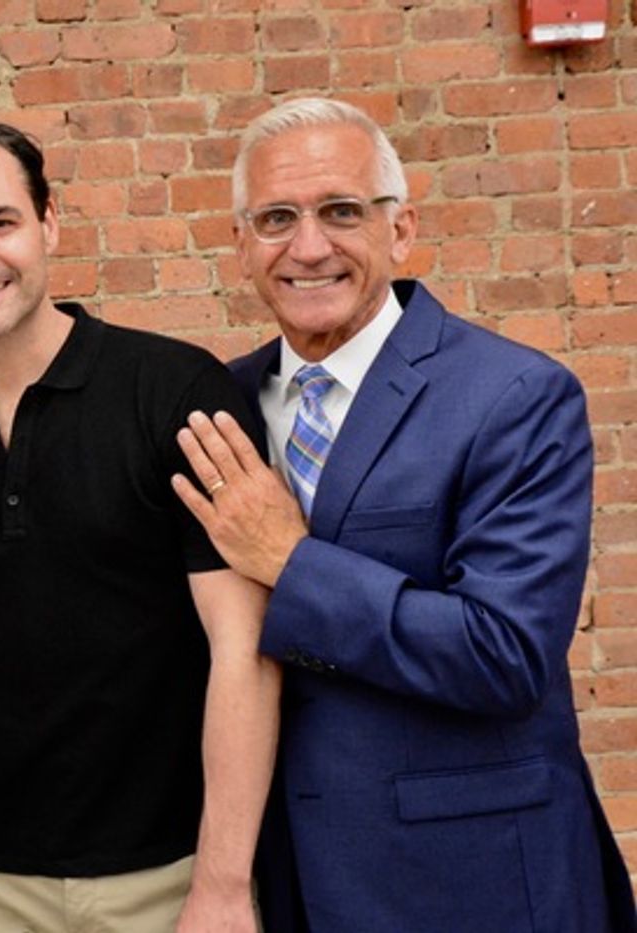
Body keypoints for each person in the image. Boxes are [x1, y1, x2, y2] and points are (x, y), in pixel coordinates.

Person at [171, 97, 637, 932]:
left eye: (341, 211)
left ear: (401, 229)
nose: (308, 246)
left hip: (474, 884)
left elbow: (506, 653)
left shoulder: (515, 397)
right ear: (240, 244)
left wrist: (292, 561)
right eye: (276, 218)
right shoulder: (220, 409)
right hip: (288, 886)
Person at [0, 103, 279, 933]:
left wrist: (223, 885)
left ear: (48, 221)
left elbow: (245, 648)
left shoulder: (176, 396)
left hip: (172, 875)